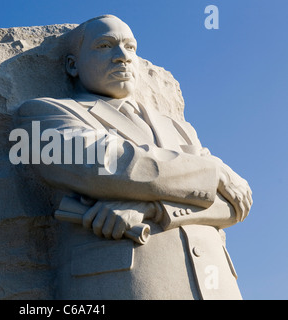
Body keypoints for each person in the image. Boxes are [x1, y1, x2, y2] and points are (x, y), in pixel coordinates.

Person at [15, 14, 252, 299]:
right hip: (128, 284)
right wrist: (213, 170)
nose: (122, 57)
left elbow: (236, 203)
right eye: (105, 46)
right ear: (72, 65)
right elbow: (114, 165)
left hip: (217, 285)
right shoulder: (42, 115)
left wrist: (151, 209)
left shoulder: (179, 128)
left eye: (131, 47)